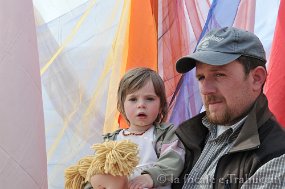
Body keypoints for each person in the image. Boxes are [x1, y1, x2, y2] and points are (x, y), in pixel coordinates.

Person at [173, 27, 285, 189]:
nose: (205, 89)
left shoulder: (276, 156)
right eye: (201, 77)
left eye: (219, 75)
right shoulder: (183, 137)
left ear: (256, 78)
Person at [86, 67, 185, 189]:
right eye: (133, 99)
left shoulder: (165, 134)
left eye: (149, 99)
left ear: (161, 106)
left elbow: (174, 160)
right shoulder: (110, 142)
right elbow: (94, 171)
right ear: (122, 106)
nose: (141, 105)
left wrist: (150, 177)